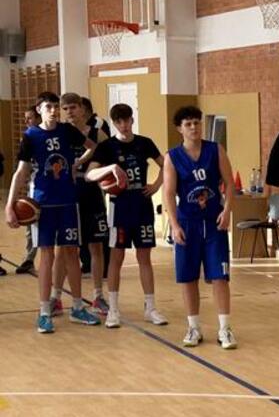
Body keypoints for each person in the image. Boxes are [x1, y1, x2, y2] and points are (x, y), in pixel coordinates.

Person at [4, 92, 113, 333]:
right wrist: (9, 205)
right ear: (39, 110)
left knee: (71, 253)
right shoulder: (31, 135)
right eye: (48, 107)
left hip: (68, 201)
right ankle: (45, 311)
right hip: (43, 204)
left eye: (56, 106)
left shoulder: (67, 130)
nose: (53, 111)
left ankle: (77, 307)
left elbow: (93, 147)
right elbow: (21, 172)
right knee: (47, 256)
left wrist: (76, 164)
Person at [162, 105, 237, 349]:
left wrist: (227, 210)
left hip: (214, 223)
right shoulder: (172, 157)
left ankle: (225, 328)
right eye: (188, 124)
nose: (194, 127)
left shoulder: (215, 150)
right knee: (188, 278)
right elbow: (168, 193)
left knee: (220, 277)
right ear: (179, 128)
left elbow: (229, 183)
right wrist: (174, 225)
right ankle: (194, 327)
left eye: (196, 122)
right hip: (187, 223)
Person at [88, 103, 168, 328]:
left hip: (142, 204)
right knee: (117, 257)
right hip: (119, 207)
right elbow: (90, 174)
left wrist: (156, 185)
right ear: (114, 123)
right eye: (119, 121)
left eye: (127, 120)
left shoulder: (145, 142)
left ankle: (150, 308)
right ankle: (113, 309)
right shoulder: (107, 147)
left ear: (132, 120)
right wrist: (110, 168)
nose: (124, 125)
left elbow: (166, 165)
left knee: (145, 257)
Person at [49, 93, 110, 316]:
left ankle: (98, 296)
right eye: (65, 109)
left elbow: (108, 157)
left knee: (96, 246)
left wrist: (105, 176)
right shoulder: (59, 133)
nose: (69, 112)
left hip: (91, 192)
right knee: (63, 248)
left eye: (73, 107)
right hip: (66, 194)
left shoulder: (97, 133)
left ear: (82, 108)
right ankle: (55, 297)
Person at [15, 106, 40, 275]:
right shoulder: (28, 138)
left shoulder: (55, 136)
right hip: (34, 187)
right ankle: (29, 259)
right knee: (30, 225)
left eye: (29, 118)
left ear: (39, 118)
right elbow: (23, 167)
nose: (26, 121)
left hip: (55, 190)